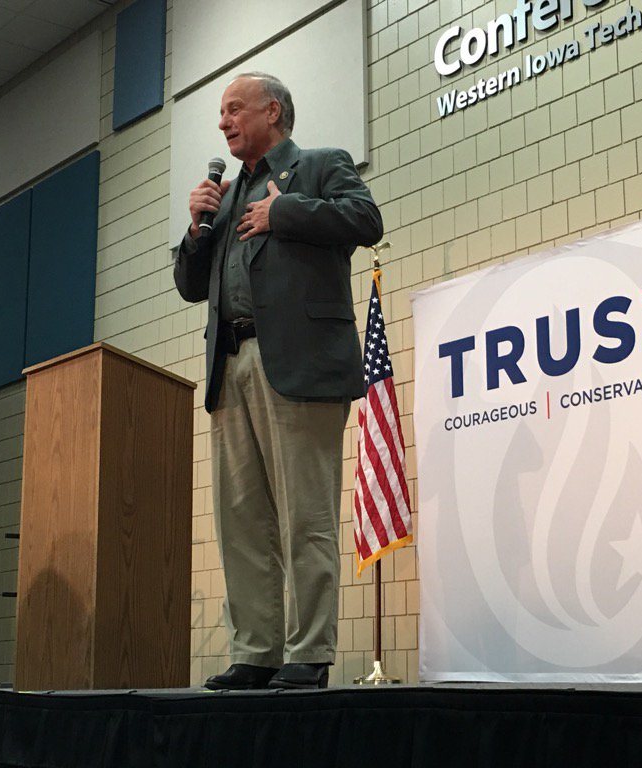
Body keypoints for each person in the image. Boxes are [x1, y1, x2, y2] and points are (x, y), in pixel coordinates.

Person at [173, 72, 382, 690]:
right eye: (221, 113)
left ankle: (309, 652)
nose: (223, 122)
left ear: (272, 111)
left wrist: (283, 212)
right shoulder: (223, 196)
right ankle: (256, 652)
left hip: (298, 364)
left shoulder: (319, 165)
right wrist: (196, 229)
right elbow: (190, 286)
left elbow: (365, 219)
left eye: (234, 109)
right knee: (241, 521)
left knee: (304, 515)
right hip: (229, 365)